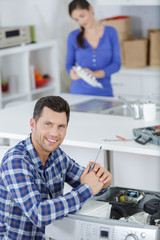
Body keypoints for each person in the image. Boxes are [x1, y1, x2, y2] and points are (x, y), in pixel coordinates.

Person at [0, 96, 112, 240]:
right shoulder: (16, 161)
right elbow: (39, 214)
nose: (54, 133)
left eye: (61, 126)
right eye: (48, 124)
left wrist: (102, 181)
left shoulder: (57, 155)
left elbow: (87, 181)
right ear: (32, 124)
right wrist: (87, 188)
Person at [66, 0, 121, 97]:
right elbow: (68, 65)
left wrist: (94, 74)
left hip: (104, 92)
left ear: (90, 9)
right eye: (76, 19)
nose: (81, 22)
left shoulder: (111, 32)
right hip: (78, 93)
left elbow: (116, 64)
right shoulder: (73, 36)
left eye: (82, 16)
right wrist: (72, 73)